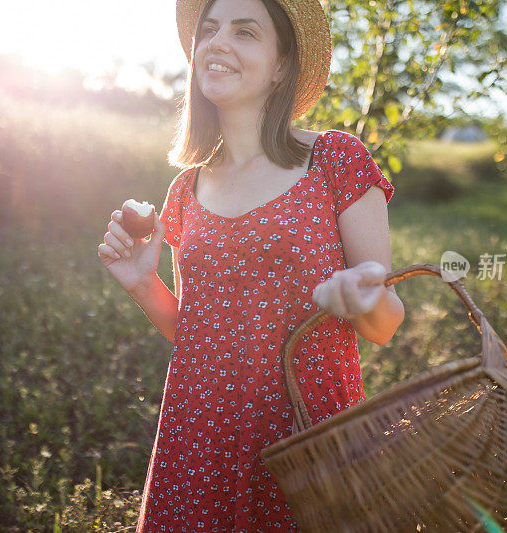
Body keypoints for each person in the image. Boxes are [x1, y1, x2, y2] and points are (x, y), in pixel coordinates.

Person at [97, 0, 406, 529]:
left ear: (282, 64)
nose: (217, 43)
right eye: (209, 29)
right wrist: (142, 285)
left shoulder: (335, 161)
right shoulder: (185, 190)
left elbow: (386, 324)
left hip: (305, 430)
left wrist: (366, 295)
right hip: (198, 433)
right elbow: (197, 333)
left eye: (245, 32)